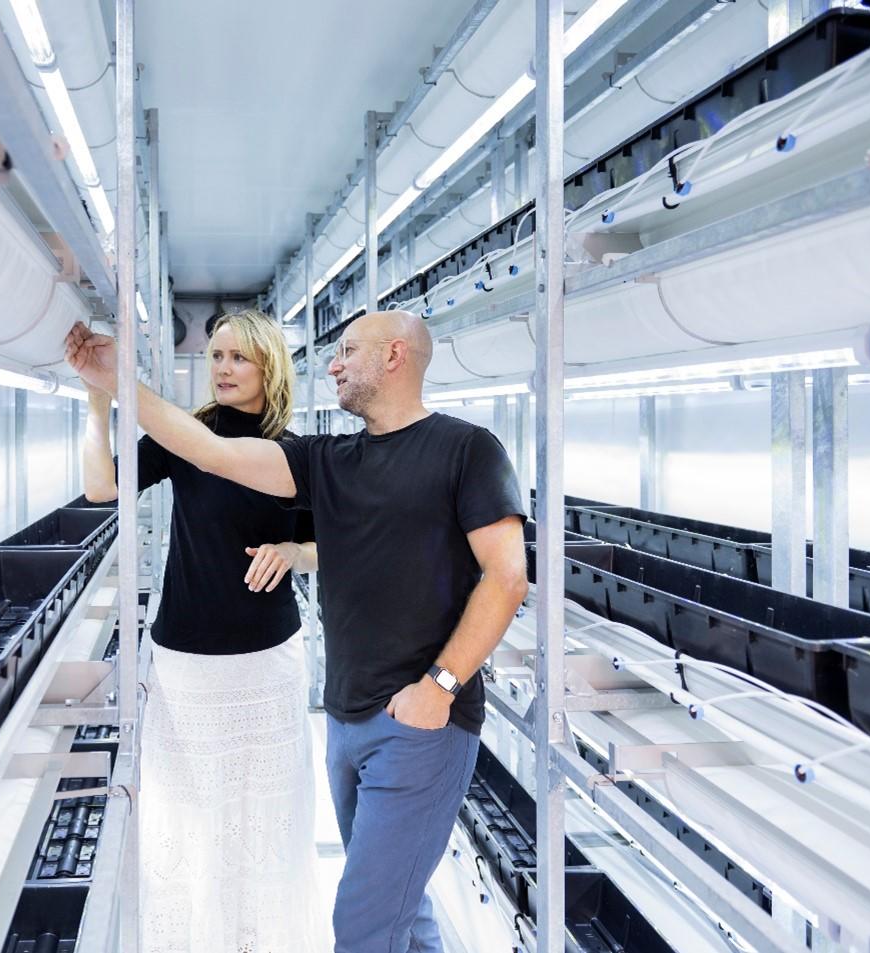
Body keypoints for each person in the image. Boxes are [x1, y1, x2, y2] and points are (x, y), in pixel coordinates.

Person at [66, 310, 529, 953]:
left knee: (365, 918)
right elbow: (210, 451)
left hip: (412, 714)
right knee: (399, 904)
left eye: (346, 350)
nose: (332, 363)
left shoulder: (462, 447)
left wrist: (441, 685)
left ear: (394, 356)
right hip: (344, 711)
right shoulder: (326, 458)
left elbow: (507, 578)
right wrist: (109, 387)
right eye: (216, 356)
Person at [79, 309, 329, 953]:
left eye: (239, 358)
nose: (222, 368)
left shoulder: (294, 451)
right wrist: (96, 404)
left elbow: (325, 544)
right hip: (186, 661)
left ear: (268, 367)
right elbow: (101, 488)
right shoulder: (186, 435)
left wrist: (293, 551)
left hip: (266, 659)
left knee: (263, 816)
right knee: (189, 820)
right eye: (216, 356)